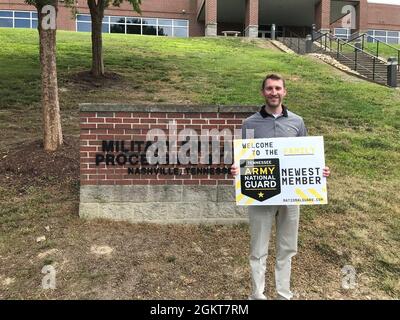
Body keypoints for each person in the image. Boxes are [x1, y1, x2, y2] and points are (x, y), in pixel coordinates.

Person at [231, 74, 330, 300]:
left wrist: (320, 170)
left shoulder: (297, 122)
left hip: (290, 196)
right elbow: (243, 159)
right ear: (263, 92)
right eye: (269, 88)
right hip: (260, 195)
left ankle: (283, 294)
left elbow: (308, 156)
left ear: (284, 91)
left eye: (277, 88)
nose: (273, 92)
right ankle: (257, 295)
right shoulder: (249, 123)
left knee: (287, 248)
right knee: (258, 249)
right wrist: (237, 170)